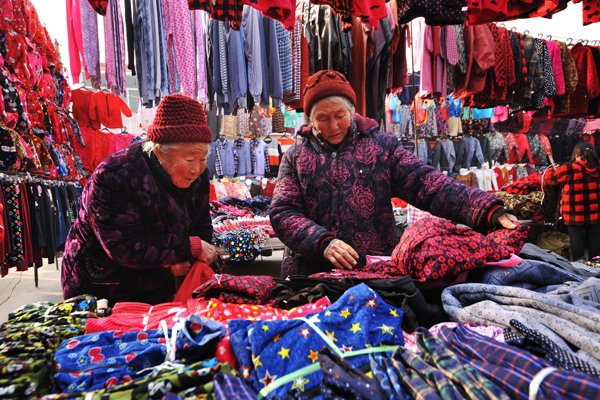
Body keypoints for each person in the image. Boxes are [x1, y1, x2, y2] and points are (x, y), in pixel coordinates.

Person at [269, 70, 519, 277]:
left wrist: (486, 209)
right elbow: (283, 212)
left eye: (339, 116)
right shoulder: (296, 155)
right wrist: (322, 242)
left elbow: (428, 184)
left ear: (352, 112)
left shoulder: (381, 147)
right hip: (309, 274)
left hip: (372, 272)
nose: (333, 125)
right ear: (310, 119)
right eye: (322, 118)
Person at [61, 94, 219, 304]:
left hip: (160, 284)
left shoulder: (197, 175)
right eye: (190, 159)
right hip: (104, 286)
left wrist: (186, 258)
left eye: (203, 159)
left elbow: (201, 224)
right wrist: (185, 248)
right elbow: (122, 245)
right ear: (159, 151)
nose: (197, 168)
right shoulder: (115, 174)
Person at [543, 141, 600, 261]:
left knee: (576, 237)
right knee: (594, 236)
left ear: (577, 154)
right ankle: (596, 263)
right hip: (594, 212)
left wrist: (552, 169)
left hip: (573, 213)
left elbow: (550, 179)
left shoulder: (569, 169)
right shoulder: (597, 168)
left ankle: (579, 265)